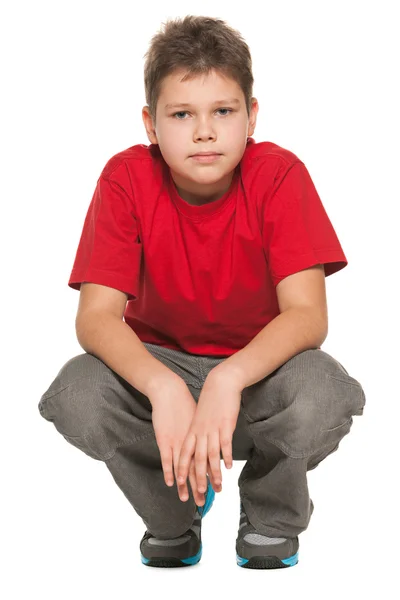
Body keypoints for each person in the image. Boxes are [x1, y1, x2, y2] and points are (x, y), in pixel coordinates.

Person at [38, 14, 366, 570]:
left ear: (251, 116)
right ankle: (174, 507)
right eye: (182, 114)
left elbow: (308, 315)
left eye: (223, 111)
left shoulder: (280, 176)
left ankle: (269, 514)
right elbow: (96, 318)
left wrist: (230, 375)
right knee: (76, 390)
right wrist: (164, 387)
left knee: (323, 390)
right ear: (151, 124)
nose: (205, 131)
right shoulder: (125, 179)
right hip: (161, 376)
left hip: (258, 378)